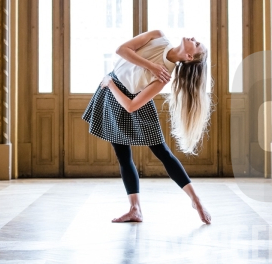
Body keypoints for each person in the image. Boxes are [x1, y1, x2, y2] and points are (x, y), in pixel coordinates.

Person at [82, 30, 212, 224]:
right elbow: (121, 50)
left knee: (163, 153)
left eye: (197, 43)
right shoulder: (158, 36)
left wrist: (110, 84)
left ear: (189, 56)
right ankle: (135, 209)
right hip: (113, 90)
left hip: (123, 94)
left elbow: (131, 106)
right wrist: (151, 66)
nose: (194, 38)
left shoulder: (164, 77)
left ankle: (196, 200)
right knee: (123, 156)